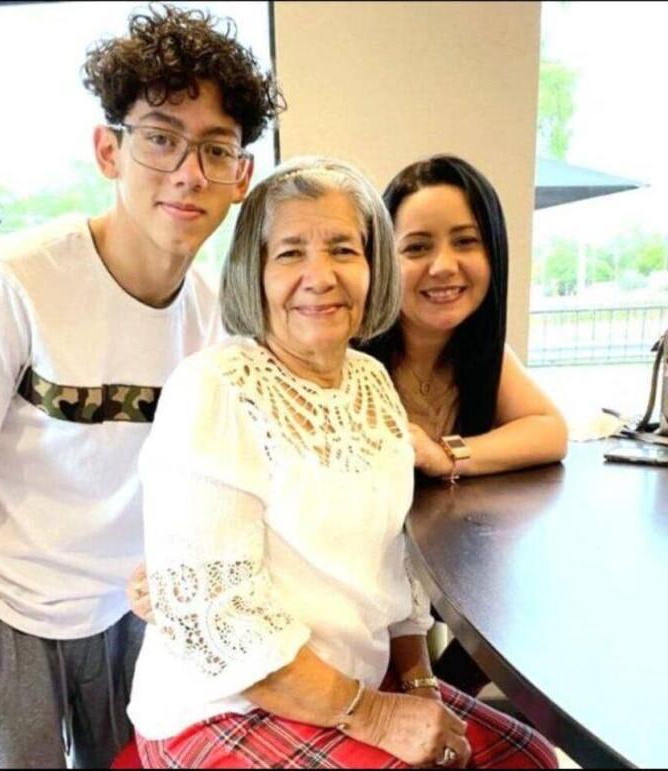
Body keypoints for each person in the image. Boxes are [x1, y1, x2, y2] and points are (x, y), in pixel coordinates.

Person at [0, 5, 281, 768]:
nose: (188, 172)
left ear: (241, 176)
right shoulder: (13, 281)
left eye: (215, 148)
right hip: (5, 608)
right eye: (161, 139)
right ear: (109, 150)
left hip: (137, 615)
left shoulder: (222, 320)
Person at [127, 157, 559, 769]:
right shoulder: (213, 387)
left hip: (351, 686)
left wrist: (421, 687)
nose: (320, 276)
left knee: (530, 756)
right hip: (228, 703)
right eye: (290, 253)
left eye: (343, 250)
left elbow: (393, 569)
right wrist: (378, 716)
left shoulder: (371, 380)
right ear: (254, 270)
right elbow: (225, 626)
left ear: (373, 267)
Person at [364, 155, 569, 695]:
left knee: (527, 605)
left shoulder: (481, 355)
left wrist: (447, 454)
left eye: (465, 241)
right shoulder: (355, 362)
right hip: (361, 612)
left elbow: (550, 430)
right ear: (383, 260)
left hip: (445, 584)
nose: (444, 266)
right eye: (417, 248)